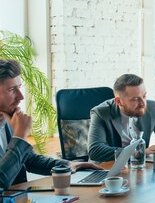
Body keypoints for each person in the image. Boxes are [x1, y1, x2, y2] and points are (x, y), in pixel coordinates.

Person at [0, 59, 101, 189]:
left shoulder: (6, 119)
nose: (21, 97)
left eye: (19, 88)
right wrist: (20, 136)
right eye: (12, 89)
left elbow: (29, 159)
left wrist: (68, 164)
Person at [88, 74, 155, 162]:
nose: (143, 103)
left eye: (144, 96)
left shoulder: (151, 107)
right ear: (119, 101)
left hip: (140, 167)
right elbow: (95, 150)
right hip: (107, 169)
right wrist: (138, 153)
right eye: (135, 99)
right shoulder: (100, 113)